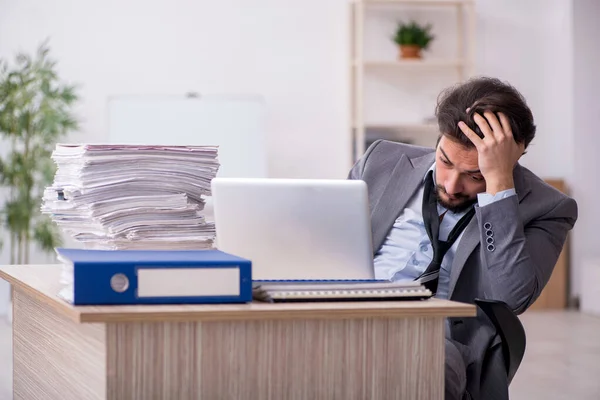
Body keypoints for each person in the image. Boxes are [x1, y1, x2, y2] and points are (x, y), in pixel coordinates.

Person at [348, 76, 578, 400]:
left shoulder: (549, 208)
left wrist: (498, 186)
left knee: (418, 368)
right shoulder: (382, 159)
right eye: (444, 161)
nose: (452, 185)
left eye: (475, 175)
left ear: (514, 157)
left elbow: (510, 297)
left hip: (440, 340)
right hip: (350, 314)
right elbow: (330, 243)